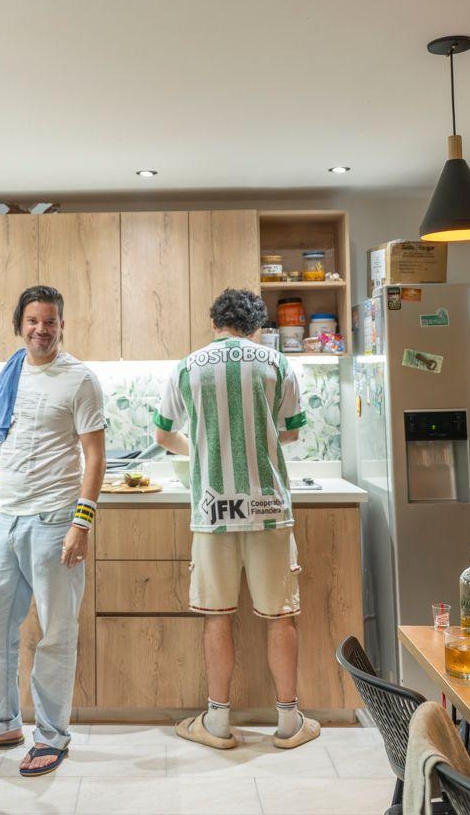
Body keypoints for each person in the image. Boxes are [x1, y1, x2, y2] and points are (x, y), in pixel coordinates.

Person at [152, 288, 321, 751]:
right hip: (269, 510)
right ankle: (288, 723)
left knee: (217, 618)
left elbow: (164, 434)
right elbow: (292, 431)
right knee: (280, 616)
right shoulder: (276, 364)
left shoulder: (188, 367)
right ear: (257, 327)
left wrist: (202, 450)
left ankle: (219, 723)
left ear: (215, 324)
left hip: (212, 511)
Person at [0, 285, 105, 776]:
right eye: (33, 321)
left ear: (62, 324)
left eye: (51, 321)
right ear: (19, 324)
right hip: (7, 516)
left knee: (56, 632)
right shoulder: (9, 374)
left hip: (54, 520)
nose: (42, 330)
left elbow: (95, 456)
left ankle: (52, 736)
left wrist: (81, 524)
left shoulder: (79, 379)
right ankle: (0, 723)